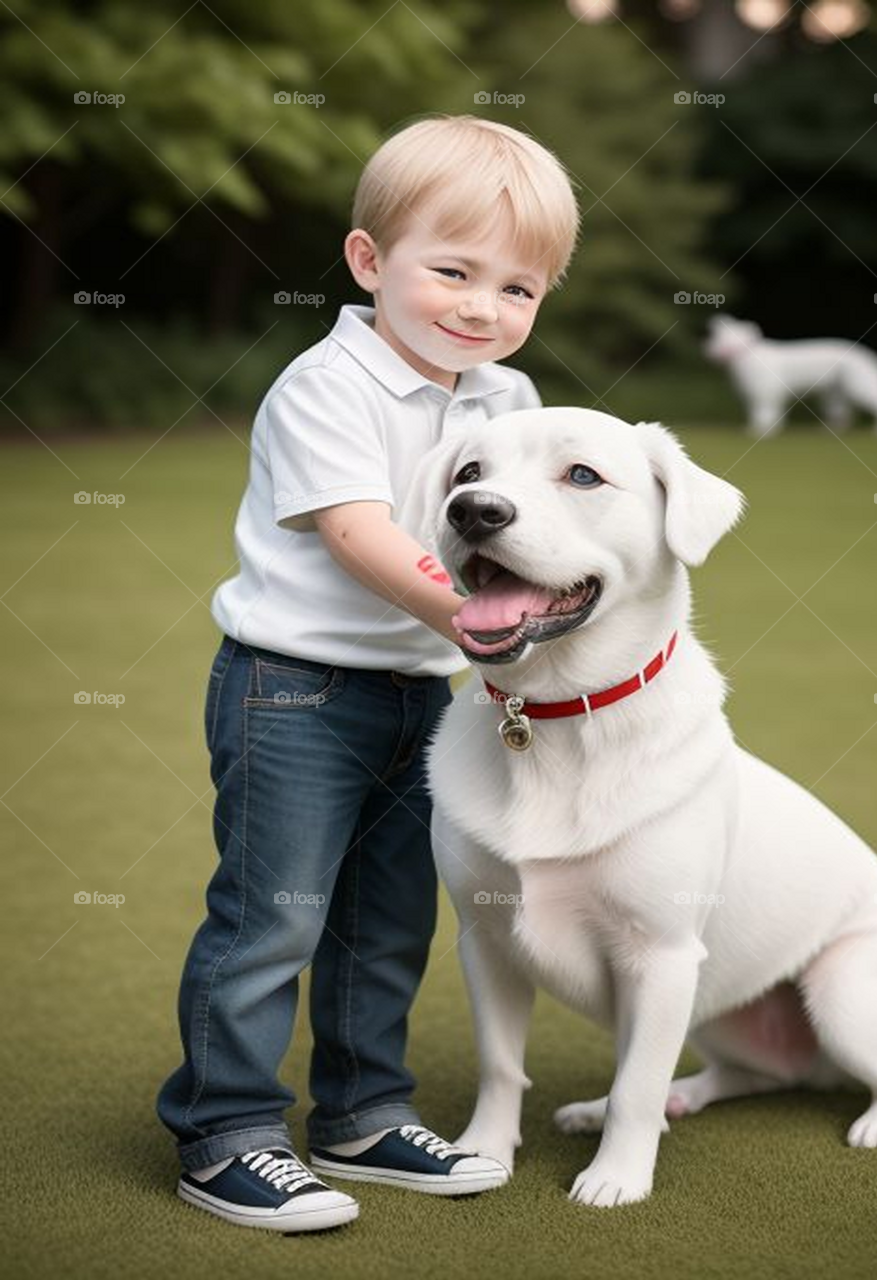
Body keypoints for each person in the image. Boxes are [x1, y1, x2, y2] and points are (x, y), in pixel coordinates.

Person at [156, 113, 580, 1232]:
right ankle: (225, 1130)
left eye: (518, 288)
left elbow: (534, 523)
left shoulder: (508, 400)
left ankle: (361, 1111)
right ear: (367, 260)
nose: (482, 308)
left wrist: (538, 606)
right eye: (454, 271)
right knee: (272, 917)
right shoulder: (325, 385)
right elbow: (359, 533)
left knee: (389, 917)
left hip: (425, 695)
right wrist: (472, 614)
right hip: (294, 690)